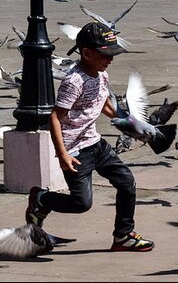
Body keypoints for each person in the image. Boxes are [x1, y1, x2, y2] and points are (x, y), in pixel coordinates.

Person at [25, 22, 155, 252]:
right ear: (86, 53)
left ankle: (123, 236)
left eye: (112, 55)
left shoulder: (101, 74)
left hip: (95, 143)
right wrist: (62, 154)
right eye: (105, 55)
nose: (110, 60)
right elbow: (55, 117)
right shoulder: (73, 81)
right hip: (74, 151)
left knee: (127, 182)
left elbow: (103, 103)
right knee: (81, 203)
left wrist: (130, 124)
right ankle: (42, 199)